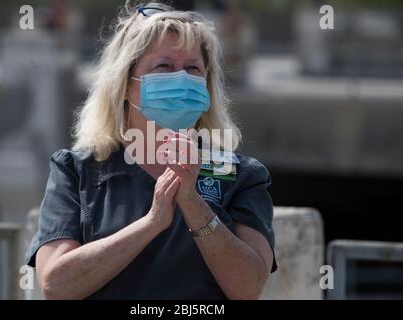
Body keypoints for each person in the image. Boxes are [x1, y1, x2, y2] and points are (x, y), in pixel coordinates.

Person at [25, 1, 277, 300]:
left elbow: (248, 288)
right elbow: (56, 285)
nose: (181, 79)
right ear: (125, 84)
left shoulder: (234, 172)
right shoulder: (77, 170)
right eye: (164, 67)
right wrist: (151, 224)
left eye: (193, 68)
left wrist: (193, 204)